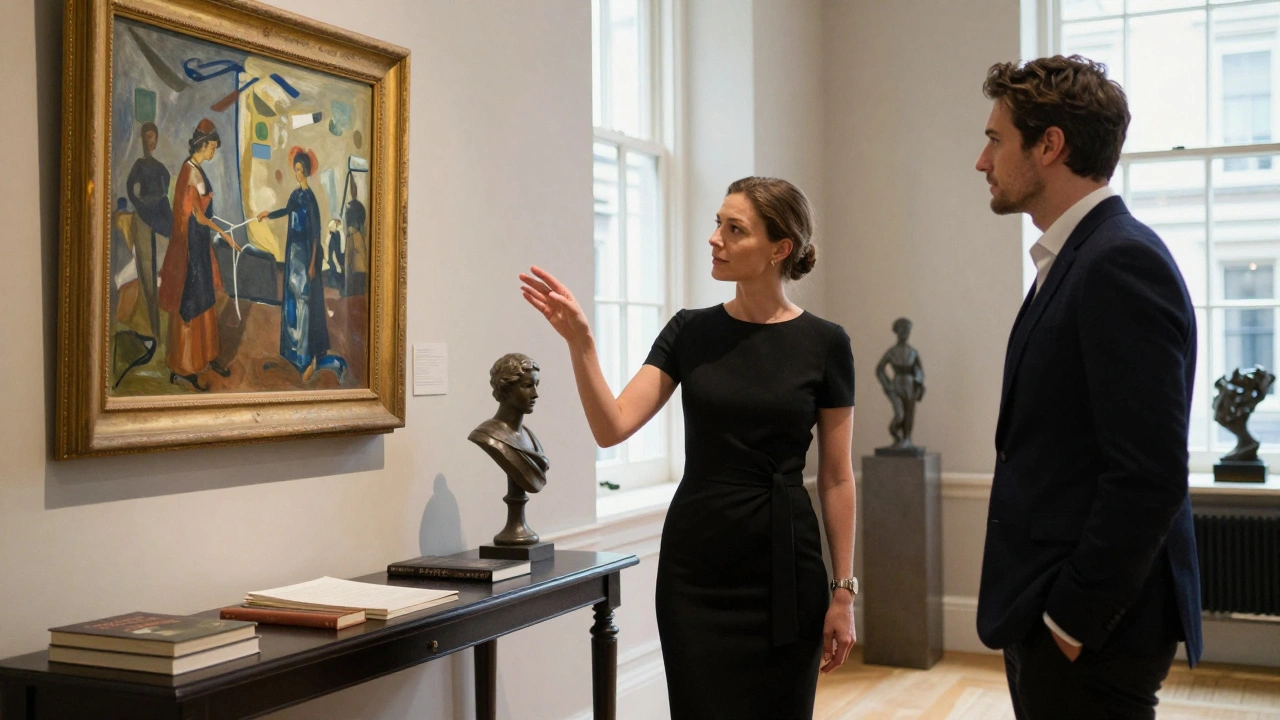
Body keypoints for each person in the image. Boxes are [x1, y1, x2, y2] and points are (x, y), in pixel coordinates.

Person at [520, 176, 856, 719]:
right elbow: (613, 426)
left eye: (734, 228)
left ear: (780, 249)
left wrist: (844, 594)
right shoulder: (690, 332)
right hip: (695, 571)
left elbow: (838, 477)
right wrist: (581, 345)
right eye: (717, 223)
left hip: (785, 567)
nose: (714, 238)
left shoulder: (826, 344)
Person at [974, 55, 1203, 719]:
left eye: (995, 139)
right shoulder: (1075, 257)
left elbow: (1149, 473)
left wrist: (1071, 620)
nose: (981, 162)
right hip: (1054, 610)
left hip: (1094, 628)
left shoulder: (1118, 261)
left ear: (1050, 145)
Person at [158, 118, 240, 391]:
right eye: (212, 147)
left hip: (199, 245)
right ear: (202, 145)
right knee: (190, 303)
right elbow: (197, 216)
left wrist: (218, 230)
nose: (214, 152)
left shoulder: (197, 170)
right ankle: (184, 367)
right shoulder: (189, 171)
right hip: (189, 249)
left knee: (205, 300)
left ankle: (207, 357)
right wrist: (225, 234)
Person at [257, 148, 329, 380]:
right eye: (295, 170)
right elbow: (286, 211)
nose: (297, 174)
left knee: (304, 302)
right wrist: (268, 214)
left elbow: (316, 234)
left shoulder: (310, 199)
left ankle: (306, 355)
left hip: (306, 253)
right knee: (291, 298)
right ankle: (292, 352)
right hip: (292, 253)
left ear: (306, 171)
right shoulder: (295, 195)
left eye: (300, 170)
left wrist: (312, 264)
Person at [468, 353, 550, 495]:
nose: (535, 394)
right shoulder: (488, 436)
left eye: (536, 385)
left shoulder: (529, 436)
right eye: (527, 386)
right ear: (505, 388)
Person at [126, 121, 173, 340]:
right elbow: (129, 187)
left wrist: (161, 199)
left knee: (160, 267)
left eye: (152, 136)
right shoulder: (139, 165)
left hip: (158, 215)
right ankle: (149, 327)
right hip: (143, 216)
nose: (149, 140)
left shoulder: (160, 166)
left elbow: (167, 182)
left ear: (156, 140)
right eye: (147, 137)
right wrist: (139, 204)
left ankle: (159, 325)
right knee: (146, 268)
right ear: (143, 140)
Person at [874, 317, 925, 451]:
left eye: (907, 331)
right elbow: (880, 369)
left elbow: (919, 370)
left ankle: (907, 439)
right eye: (903, 331)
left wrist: (918, 383)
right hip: (896, 385)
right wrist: (887, 384)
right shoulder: (892, 352)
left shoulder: (913, 352)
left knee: (909, 413)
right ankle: (895, 433)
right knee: (899, 414)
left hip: (910, 385)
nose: (905, 334)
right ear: (897, 332)